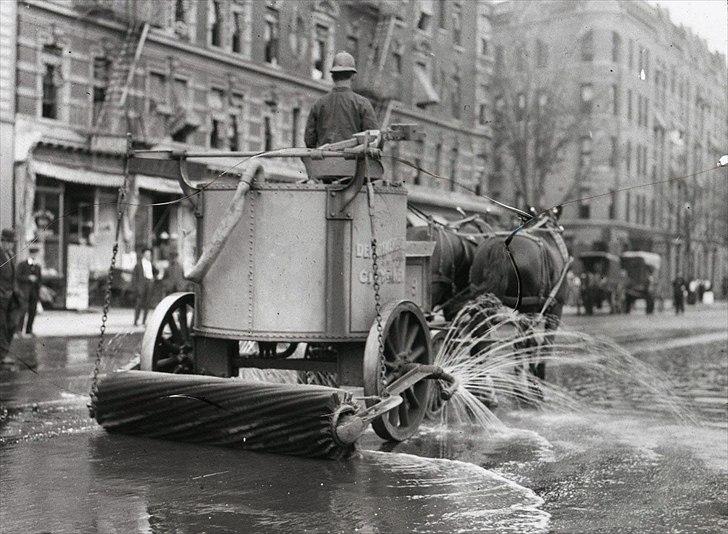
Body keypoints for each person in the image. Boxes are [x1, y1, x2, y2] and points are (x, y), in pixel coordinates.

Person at [304, 51, 379, 149]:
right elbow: (374, 138)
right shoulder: (363, 104)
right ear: (353, 76)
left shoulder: (318, 104)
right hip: (355, 162)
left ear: (332, 76)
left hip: (325, 162)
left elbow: (309, 140)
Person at [0, 229, 19, 366]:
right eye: (8, 242)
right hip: (1, 297)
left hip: (11, 298)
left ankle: (3, 353)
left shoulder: (10, 255)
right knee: (1, 326)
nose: (11, 245)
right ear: (3, 241)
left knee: (12, 324)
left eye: (12, 243)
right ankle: (2, 355)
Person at [16, 244, 42, 336]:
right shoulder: (22, 265)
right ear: (30, 254)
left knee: (32, 311)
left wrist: (39, 292)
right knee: (22, 311)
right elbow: (18, 277)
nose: (34, 256)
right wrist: (28, 278)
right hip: (24, 292)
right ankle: (19, 330)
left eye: (36, 254)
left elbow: (39, 280)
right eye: (33, 254)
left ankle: (29, 330)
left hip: (34, 292)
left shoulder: (38, 267)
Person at [132, 247, 158, 326]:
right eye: (147, 254)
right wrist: (136, 286)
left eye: (149, 254)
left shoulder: (151, 264)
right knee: (139, 303)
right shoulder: (139, 264)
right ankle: (136, 321)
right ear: (143, 255)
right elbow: (135, 276)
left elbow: (156, 272)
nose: (148, 256)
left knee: (147, 303)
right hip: (142, 285)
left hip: (149, 283)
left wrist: (153, 278)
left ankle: (144, 321)